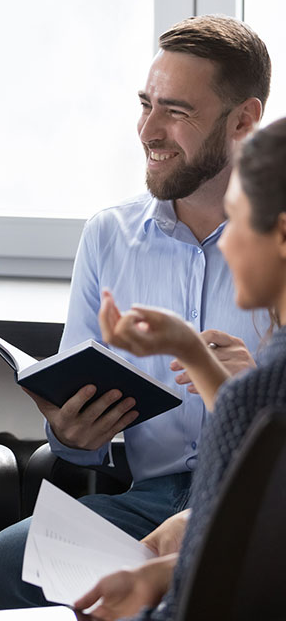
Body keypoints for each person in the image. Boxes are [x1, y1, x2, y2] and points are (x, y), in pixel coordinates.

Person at [0, 14, 271, 609]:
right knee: (5, 563)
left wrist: (251, 388)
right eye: (145, 103)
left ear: (244, 120)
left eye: (176, 111)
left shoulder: (274, 243)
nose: (148, 130)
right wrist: (71, 433)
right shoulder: (109, 236)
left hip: (255, 501)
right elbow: (80, 447)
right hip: (146, 499)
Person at [73, 116, 286, 620]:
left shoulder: (261, 391)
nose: (224, 246)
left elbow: (206, 593)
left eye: (235, 222)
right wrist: (189, 349)